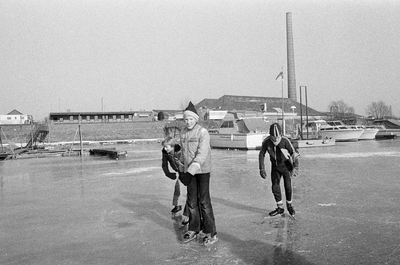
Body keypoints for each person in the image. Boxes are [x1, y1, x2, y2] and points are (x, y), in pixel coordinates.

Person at [179, 102, 218, 246]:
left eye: (190, 119)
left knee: (203, 202)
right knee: (191, 201)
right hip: (189, 172)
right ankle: (194, 228)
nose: (188, 122)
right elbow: (183, 155)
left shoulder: (203, 132)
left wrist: (190, 172)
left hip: (202, 171)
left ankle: (210, 232)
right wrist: (182, 171)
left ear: (196, 119)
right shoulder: (183, 133)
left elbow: (202, 155)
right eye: (186, 119)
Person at [258, 123, 300, 217]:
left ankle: (289, 205)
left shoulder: (285, 141)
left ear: (280, 135)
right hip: (275, 167)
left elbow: (294, 153)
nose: (276, 139)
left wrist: (296, 168)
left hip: (286, 166)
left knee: (288, 187)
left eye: (278, 137)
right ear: (270, 136)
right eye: (273, 137)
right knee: (275, 187)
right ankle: (280, 208)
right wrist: (262, 168)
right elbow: (261, 154)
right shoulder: (267, 141)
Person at [161, 136, 189, 224]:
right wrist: (168, 173)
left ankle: (189, 215)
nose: (165, 149)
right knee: (178, 188)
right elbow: (164, 164)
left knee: (191, 193)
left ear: (172, 146)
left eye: (166, 147)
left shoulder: (180, 151)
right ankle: (177, 205)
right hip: (179, 171)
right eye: (164, 147)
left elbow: (187, 161)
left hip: (188, 172)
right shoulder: (165, 152)